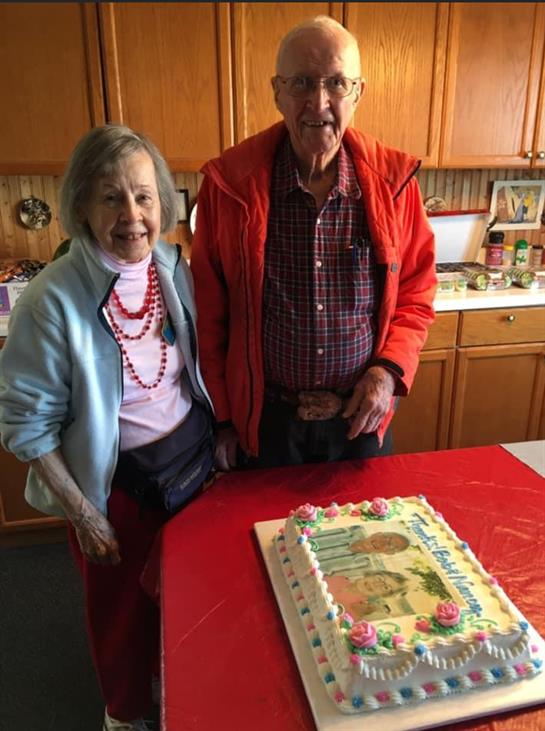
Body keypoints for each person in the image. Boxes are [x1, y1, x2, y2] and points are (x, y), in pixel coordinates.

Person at [0, 125, 214, 731]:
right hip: (114, 490)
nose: (132, 216)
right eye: (110, 197)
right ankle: (124, 715)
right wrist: (83, 513)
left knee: (187, 604)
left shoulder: (172, 267)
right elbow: (24, 426)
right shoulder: (49, 300)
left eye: (144, 197)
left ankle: (178, 694)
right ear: (81, 207)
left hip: (191, 472)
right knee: (121, 619)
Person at [191, 15, 437, 470]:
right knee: (265, 538)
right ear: (277, 92)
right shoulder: (229, 187)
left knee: (361, 538)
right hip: (265, 422)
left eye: (336, 83)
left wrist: (388, 372)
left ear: (358, 92)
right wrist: (223, 419)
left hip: (361, 416)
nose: (318, 102)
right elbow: (209, 315)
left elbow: (417, 296)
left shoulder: (394, 184)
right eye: (301, 82)